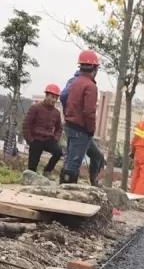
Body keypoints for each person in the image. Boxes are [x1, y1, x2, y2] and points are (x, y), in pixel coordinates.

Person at [59, 50, 100, 184]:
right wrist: (91, 129)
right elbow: (89, 112)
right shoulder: (90, 86)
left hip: (70, 125)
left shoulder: (74, 82)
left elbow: (65, 99)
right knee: (73, 163)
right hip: (81, 129)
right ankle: (67, 193)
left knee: (69, 160)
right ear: (94, 68)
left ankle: (62, 188)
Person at [22, 85, 63, 174]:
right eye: (52, 97)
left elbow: (59, 128)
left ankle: (47, 171)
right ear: (46, 95)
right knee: (31, 169)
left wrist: (56, 138)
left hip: (49, 139)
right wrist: (30, 140)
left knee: (58, 152)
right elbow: (26, 124)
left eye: (56, 98)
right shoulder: (35, 108)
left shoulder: (56, 112)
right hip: (36, 139)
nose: (54, 100)